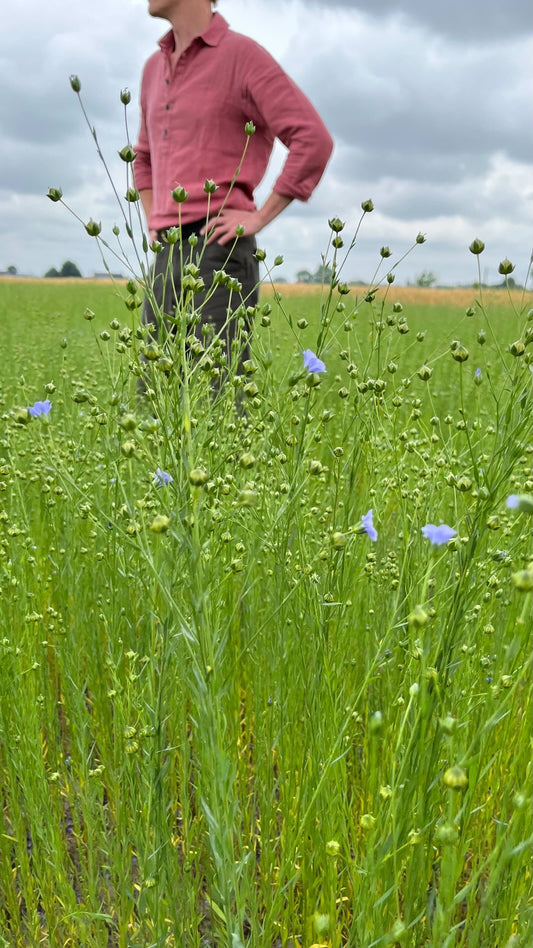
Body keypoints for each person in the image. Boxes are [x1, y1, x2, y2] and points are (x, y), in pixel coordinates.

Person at [134, 0, 333, 360]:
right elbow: (143, 158)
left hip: (218, 250)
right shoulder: (152, 68)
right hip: (166, 252)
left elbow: (313, 139)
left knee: (217, 396)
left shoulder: (243, 56)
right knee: (154, 395)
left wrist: (258, 217)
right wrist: (155, 219)